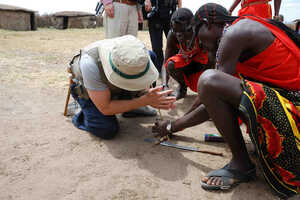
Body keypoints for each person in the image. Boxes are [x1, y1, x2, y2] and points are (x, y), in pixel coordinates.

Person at [152, 3, 300, 198]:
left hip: (294, 111)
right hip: (289, 104)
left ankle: (242, 165)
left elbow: (211, 91)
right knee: (213, 82)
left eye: (199, 35)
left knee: (208, 80)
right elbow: (212, 98)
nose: (201, 44)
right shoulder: (241, 29)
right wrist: (176, 124)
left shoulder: (233, 35)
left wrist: (172, 126)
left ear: (208, 24)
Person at [69, 35, 176, 140]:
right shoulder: (90, 64)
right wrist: (143, 101)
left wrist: (145, 94)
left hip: (114, 88)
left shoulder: (136, 54)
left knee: (151, 55)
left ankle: (129, 108)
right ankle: (83, 113)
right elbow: (105, 108)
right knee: (106, 129)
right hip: (87, 89)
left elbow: (137, 80)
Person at [162, 8, 214, 99]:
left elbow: (213, 61)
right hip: (187, 63)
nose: (178, 35)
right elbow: (165, 62)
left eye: (182, 31)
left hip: (202, 66)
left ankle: (205, 88)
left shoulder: (202, 33)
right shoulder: (172, 36)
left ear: (192, 26)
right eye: (175, 30)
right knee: (170, 65)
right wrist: (164, 85)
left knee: (209, 58)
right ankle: (183, 86)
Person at [143, 0, 182, 73]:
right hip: (155, 14)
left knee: (175, 44)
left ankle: (176, 67)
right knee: (157, 47)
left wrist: (179, 10)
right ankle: (159, 70)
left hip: (170, 13)